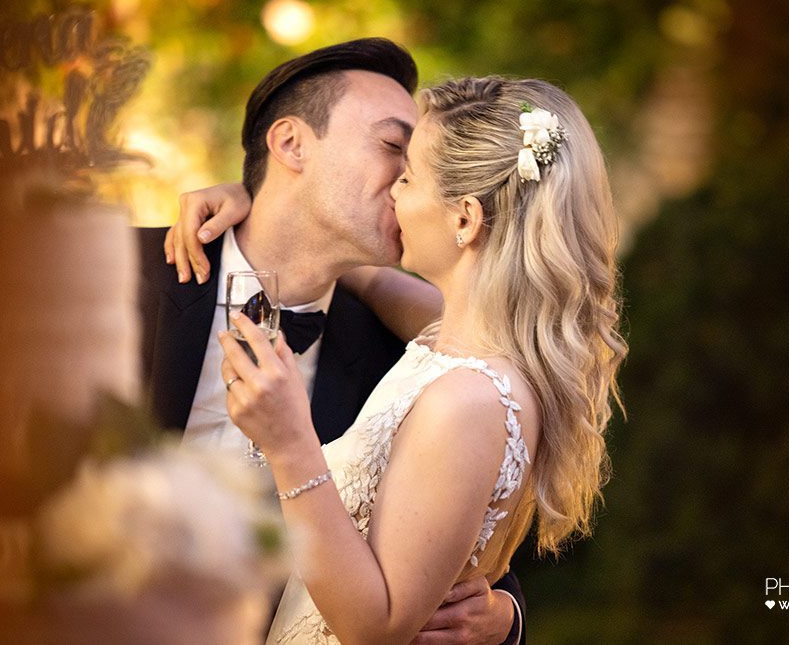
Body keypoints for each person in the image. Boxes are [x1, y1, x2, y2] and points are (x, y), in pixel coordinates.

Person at [169, 74, 627, 644]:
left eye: (407, 176)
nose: (393, 191)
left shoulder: (466, 400)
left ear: (465, 219)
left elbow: (378, 626)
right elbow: (376, 282)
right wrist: (264, 202)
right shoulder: (466, 340)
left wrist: (290, 443)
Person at [136, 38, 524, 644]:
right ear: (291, 144)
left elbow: (465, 549)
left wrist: (505, 619)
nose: (410, 179)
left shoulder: (404, 361)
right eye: (394, 147)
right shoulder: (114, 274)